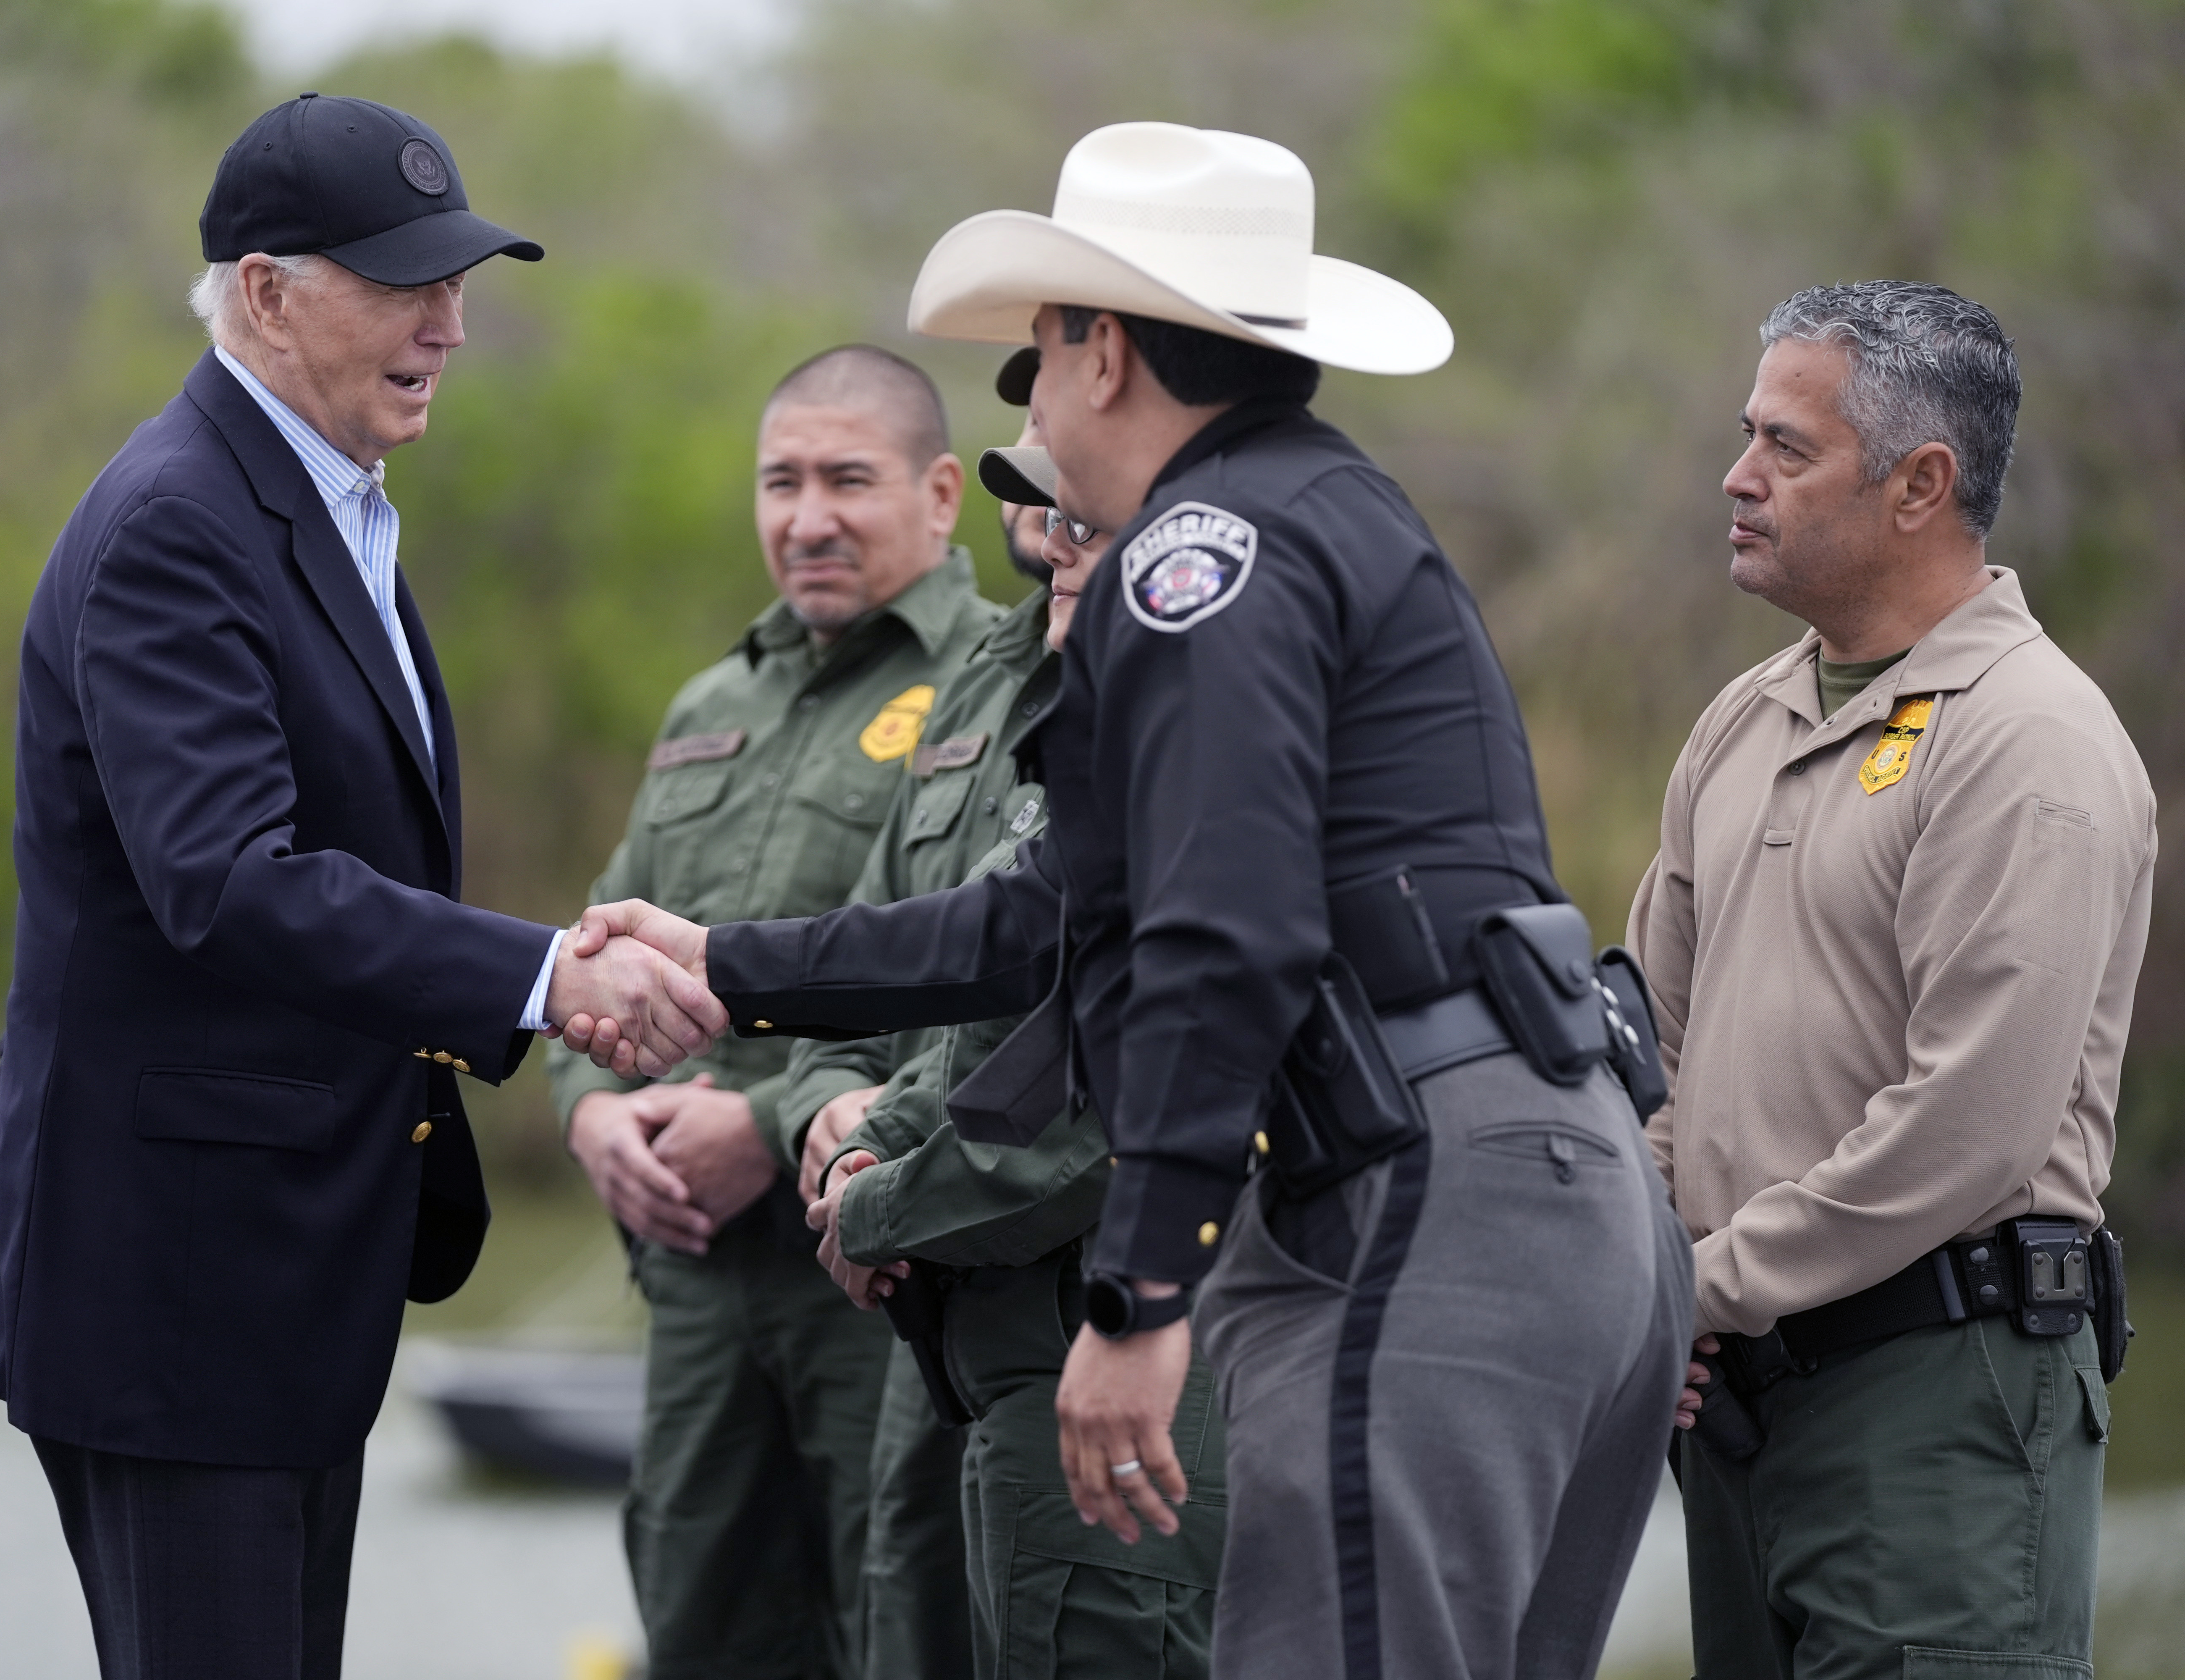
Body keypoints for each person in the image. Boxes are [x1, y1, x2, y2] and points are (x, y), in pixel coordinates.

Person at [568, 121, 1692, 1679]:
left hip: (1422, 1200)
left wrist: (1144, 1293)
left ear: (1104, 351)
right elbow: (1041, 922)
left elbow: (1218, 941)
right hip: (1548, 1188)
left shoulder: (1200, 555)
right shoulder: (1315, 511)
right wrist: (728, 965)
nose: (1033, 392)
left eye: (1040, 348)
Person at [0, 94, 718, 1680]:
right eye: (402, 283)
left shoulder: (324, 502)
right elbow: (229, 883)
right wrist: (545, 977)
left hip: (277, 1292)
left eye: (458, 282)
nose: (449, 325)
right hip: (180, 1300)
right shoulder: (179, 523)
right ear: (265, 292)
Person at [1631, 281, 2155, 1677]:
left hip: (1940, 1405)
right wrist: (1644, 1267)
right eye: (1749, 436)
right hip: (1738, 1403)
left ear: (1923, 483)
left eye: (1787, 449)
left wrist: (1695, 1288)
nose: (1737, 479)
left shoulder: (2033, 743)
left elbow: (1965, 1134)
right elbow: (1650, 1061)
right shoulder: (1743, 723)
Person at [548, 345, 1002, 1680]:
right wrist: (589, 1120)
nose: (807, 517)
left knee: (903, 1622)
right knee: (701, 1620)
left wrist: (763, 1118)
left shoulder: (996, 687)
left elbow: (1004, 970)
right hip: (696, 1285)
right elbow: (599, 935)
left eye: (847, 480)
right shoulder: (711, 704)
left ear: (937, 495)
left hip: (877, 1272)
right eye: (782, 481)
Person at [789, 407, 1229, 1680]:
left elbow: (1101, 1109)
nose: (1059, 548)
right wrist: (855, 1133)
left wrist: (873, 1212)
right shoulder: (1035, 705)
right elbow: (968, 1003)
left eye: (1092, 522)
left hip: (1126, 1355)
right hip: (987, 1346)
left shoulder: (1207, 756)